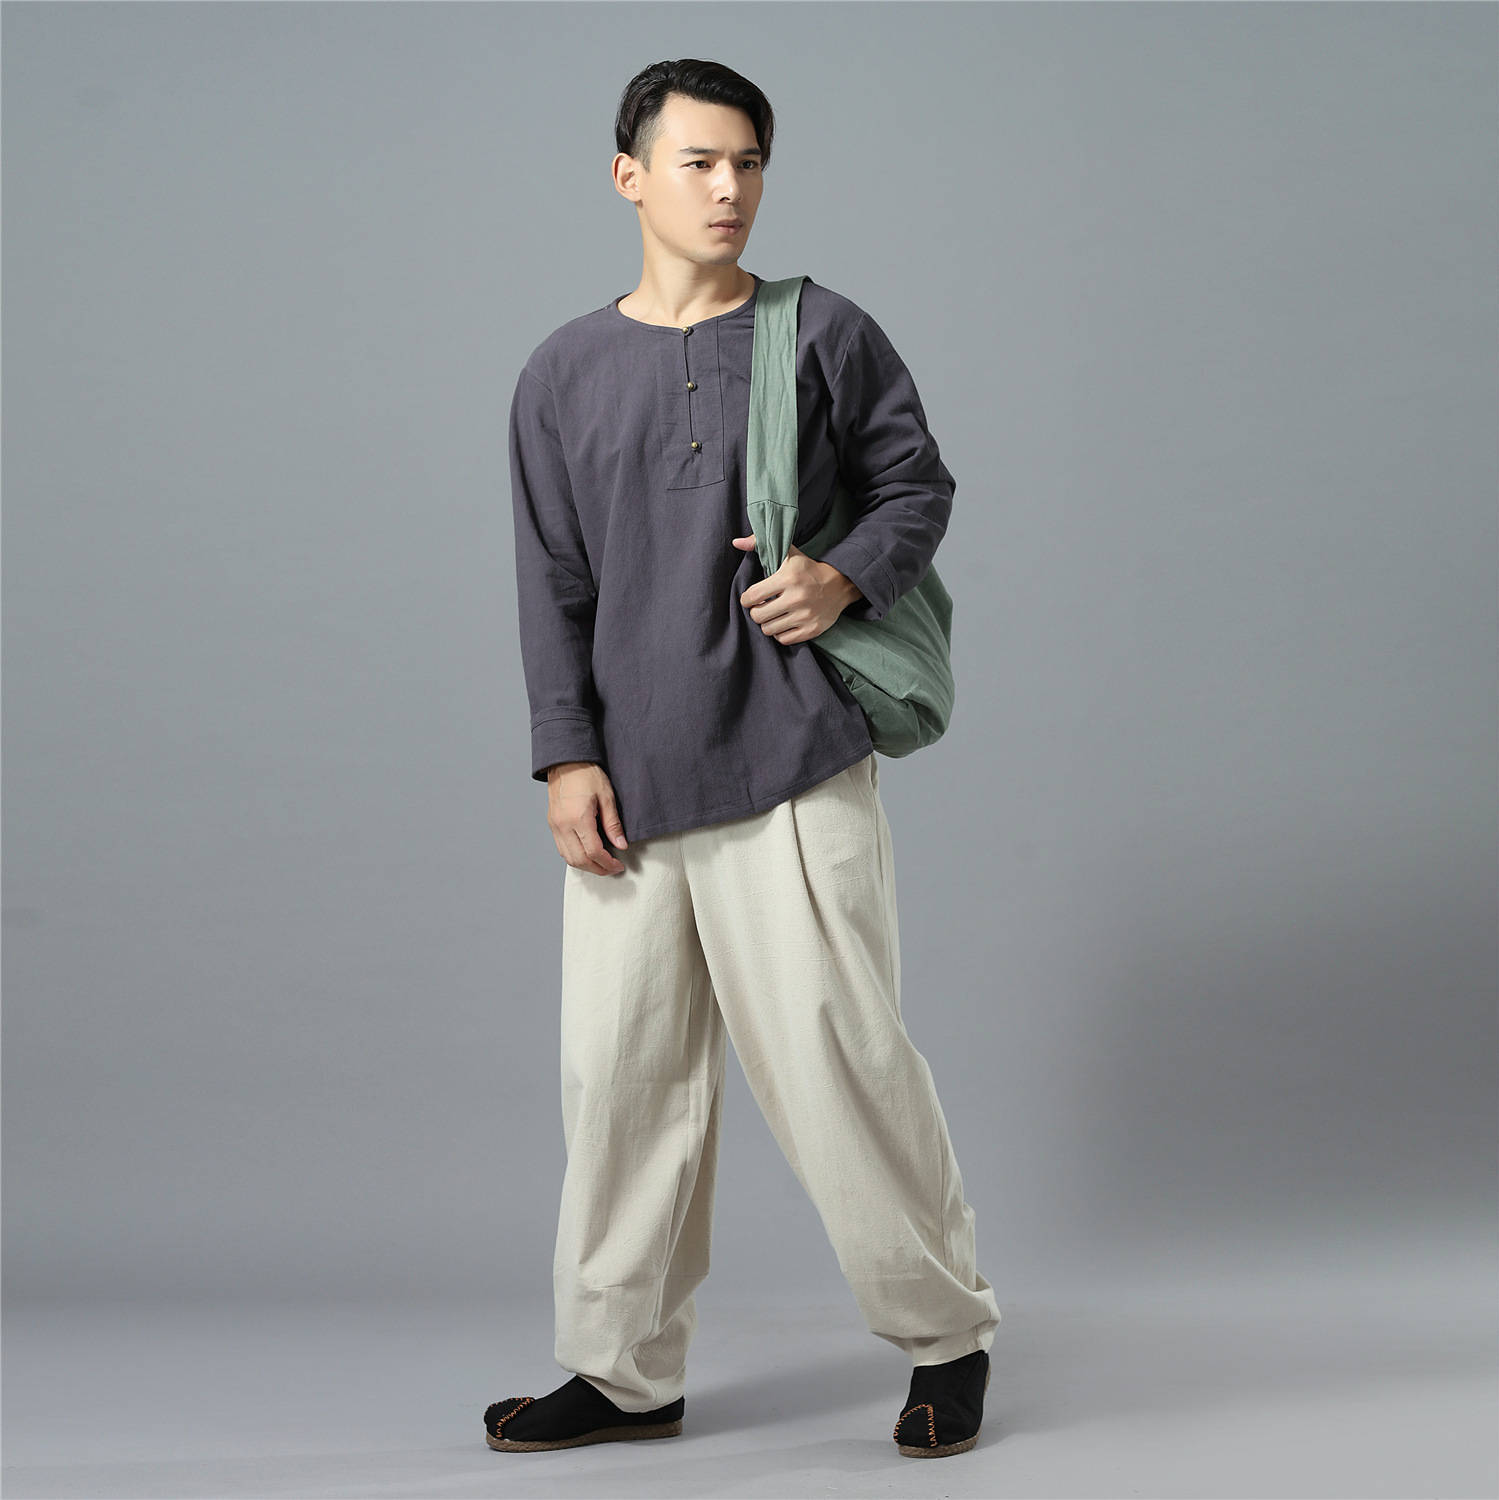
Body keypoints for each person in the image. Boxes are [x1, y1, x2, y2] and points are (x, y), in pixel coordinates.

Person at [484, 57, 1001, 1460]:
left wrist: (841, 575)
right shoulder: (561, 372)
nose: (729, 189)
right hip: (629, 785)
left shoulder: (820, 330)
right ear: (629, 176)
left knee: (841, 1064)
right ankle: (622, 1374)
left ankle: (946, 1338)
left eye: (749, 163)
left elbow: (915, 485)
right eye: (699, 162)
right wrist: (563, 757)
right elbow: (552, 581)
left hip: (790, 758)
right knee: (620, 1086)